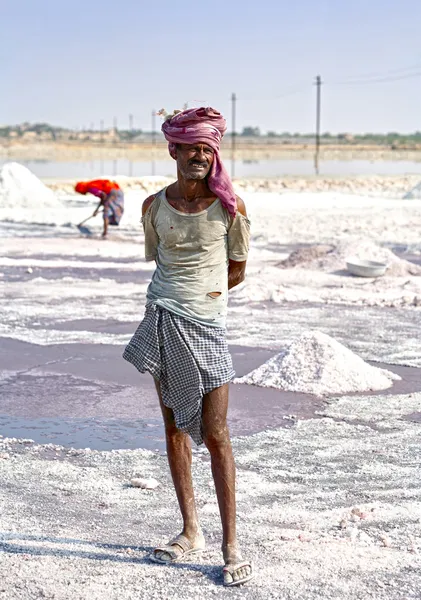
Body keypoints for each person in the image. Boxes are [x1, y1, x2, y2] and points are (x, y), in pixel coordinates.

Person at [123, 107, 253, 587]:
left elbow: (237, 268)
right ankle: (190, 531)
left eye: (207, 148)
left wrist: (207, 298)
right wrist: (179, 301)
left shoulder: (231, 207)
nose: (199, 155)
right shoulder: (152, 207)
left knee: (216, 432)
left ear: (213, 152)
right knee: (175, 424)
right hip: (162, 320)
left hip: (210, 328)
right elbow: (159, 260)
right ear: (173, 150)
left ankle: (231, 543)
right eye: (190, 147)